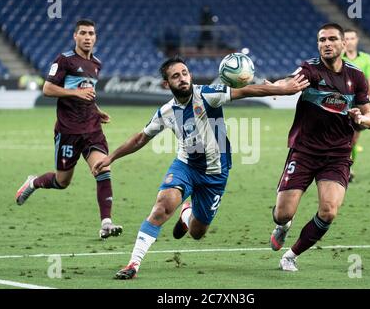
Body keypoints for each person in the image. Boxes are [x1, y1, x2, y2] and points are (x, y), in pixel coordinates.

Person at [91, 56, 310, 279]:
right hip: (186, 166)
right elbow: (140, 138)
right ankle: (133, 264)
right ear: (167, 84)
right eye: (175, 76)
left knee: (197, 232)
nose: (182, 79)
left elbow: (246, 91)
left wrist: (284, 89)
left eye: (185, 73)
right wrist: (111, 158)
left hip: (216, 174)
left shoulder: (206, 95)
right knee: (162, 206)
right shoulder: (166, 112)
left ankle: (187, 214)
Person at [268, 23, 370, 271]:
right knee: (283, 213)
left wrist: (361, 119)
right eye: (322, 40)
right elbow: (291, 81)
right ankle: (283, 226)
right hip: (304, 151)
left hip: (337, 155)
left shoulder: (356, 76)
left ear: (343, 44)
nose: (326, 44)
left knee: (328, 210)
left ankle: (290, 256)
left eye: (332, 39)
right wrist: (276, 86)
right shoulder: (310, 70)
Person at [15, 19, 123, 240]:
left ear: (95, 37)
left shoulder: (96, 64)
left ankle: (106, 223)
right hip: (68, 131)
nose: (87, 37)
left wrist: (97, 109)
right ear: (75, 36)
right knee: (62, 182)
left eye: (91, 33)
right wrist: (75, 94)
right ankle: (33, 182)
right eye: (83, 33)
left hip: (92, 129)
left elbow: (87, 92)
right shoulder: (64, 60)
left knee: (103, 169)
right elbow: (47, 89)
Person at [342, 28, 370, 182]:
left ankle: (348, 167)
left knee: (354, 139)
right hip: (341, 102)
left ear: (357, 40)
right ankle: (340, 167)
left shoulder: (365, 58)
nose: (350, 41)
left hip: (358, 103)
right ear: (343, 41)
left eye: (352, 38)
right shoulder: (339, 58)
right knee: (342, 137)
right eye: (347, 38)